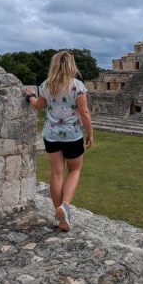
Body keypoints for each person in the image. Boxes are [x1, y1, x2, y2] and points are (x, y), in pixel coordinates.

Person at [26, 50, 94, 231]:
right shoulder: (77, 86)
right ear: (72, 66)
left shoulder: (47, 85)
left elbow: (39, 106)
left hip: (51, 134)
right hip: (72, 135)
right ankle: (65, 206)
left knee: (57, 172)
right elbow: (84, 112)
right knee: (74, 170)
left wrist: (30, 96)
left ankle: (58, 217)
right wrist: (90, 134)